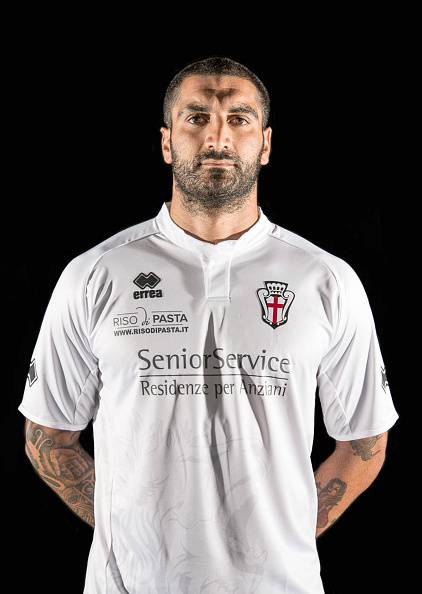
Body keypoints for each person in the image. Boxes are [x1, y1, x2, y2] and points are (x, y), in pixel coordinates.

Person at [18, 56, 400, 594]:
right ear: (166, 142)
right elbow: (47, 438)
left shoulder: (327, 280)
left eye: (238, 119)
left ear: (265, 144)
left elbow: (365, 441)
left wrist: (285, 535)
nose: (217, 138)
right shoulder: (95, 274)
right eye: (196, 118)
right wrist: (128, 533)